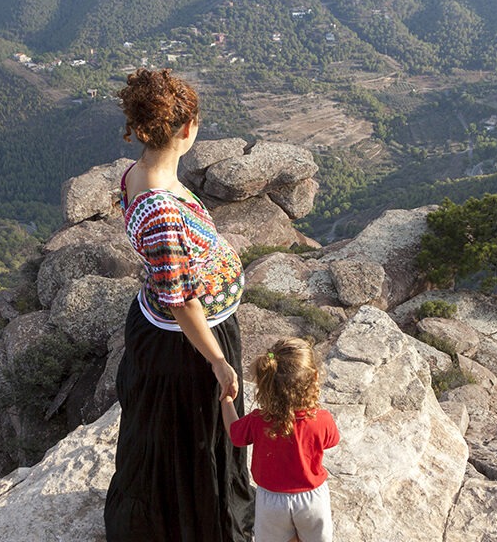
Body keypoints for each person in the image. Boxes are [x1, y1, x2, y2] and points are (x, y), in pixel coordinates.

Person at [104, 68, 254, 542]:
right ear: (187, 129)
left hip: (172, 333)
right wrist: (218, 361)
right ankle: (200, 527)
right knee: (197, 442)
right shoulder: (163, 210)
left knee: (164, 438)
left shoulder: (138, 173)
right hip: (187, 345)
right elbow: (181, 300)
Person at [221, 337, 340, 542]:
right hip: (312, 499)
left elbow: (235, 434)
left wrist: (227, 400)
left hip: (271, 501)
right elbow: (331, 441)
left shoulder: (258, 420)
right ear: (315, 378)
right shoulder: (322, 419)